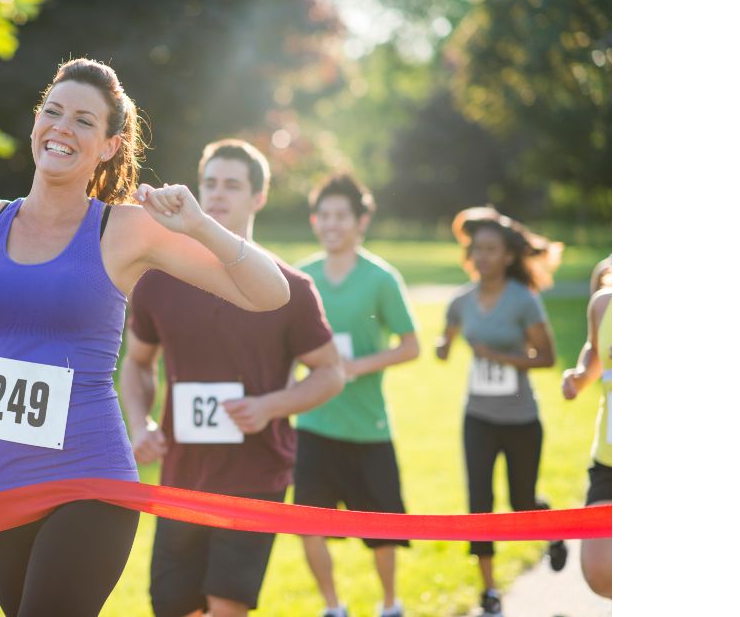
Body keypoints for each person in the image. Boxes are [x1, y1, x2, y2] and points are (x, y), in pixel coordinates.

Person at [0, 58, 291, 617]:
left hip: (89, 479)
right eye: (53, 111)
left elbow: (270, 294)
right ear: (37, 121)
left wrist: (200, 224)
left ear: (110, 146)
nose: (62, 127)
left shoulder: (125, 229)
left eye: (85, 121)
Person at [120, 139, 345, 617]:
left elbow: (329, 373)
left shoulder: (291, 290)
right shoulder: (157, 281)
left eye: (233, 185)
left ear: (258, 197)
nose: (218, 195)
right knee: (173, 607)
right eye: (210, 184)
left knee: (226, 606)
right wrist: (141, 425)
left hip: (255, 476)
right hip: (181, 477)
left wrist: (269, 407)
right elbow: (137, 363)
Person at [293, 173, 420, 617]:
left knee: (382, 529)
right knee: (307, 525)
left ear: (360, 222)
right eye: (324, 215)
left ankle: (390, 604)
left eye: (341, 216)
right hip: (312, 424)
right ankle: (333, 606)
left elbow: (410, 346)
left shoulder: (382, 279)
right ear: (314, 220)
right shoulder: (300, 278)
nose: (332, 224)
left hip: (368, 428)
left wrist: (353, 369)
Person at [435, 206, 564, 617]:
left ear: (508, 255)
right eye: (477, 249)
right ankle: (489, 591)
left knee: (522, 502)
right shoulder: (461, 300)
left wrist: (502, 358)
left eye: (491, 249)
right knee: (479, 502)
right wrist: (443, 346)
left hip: (521, 419)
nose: (482, 257)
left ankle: (554, 531)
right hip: (478, 417)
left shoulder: (523, 300)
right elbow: (448, 334)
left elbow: (547, 358)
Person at [560, 261, 612, 598]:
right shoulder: (604, 304)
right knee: (599, 570)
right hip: (611, 456)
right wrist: (579, 376)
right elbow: (596, 351)